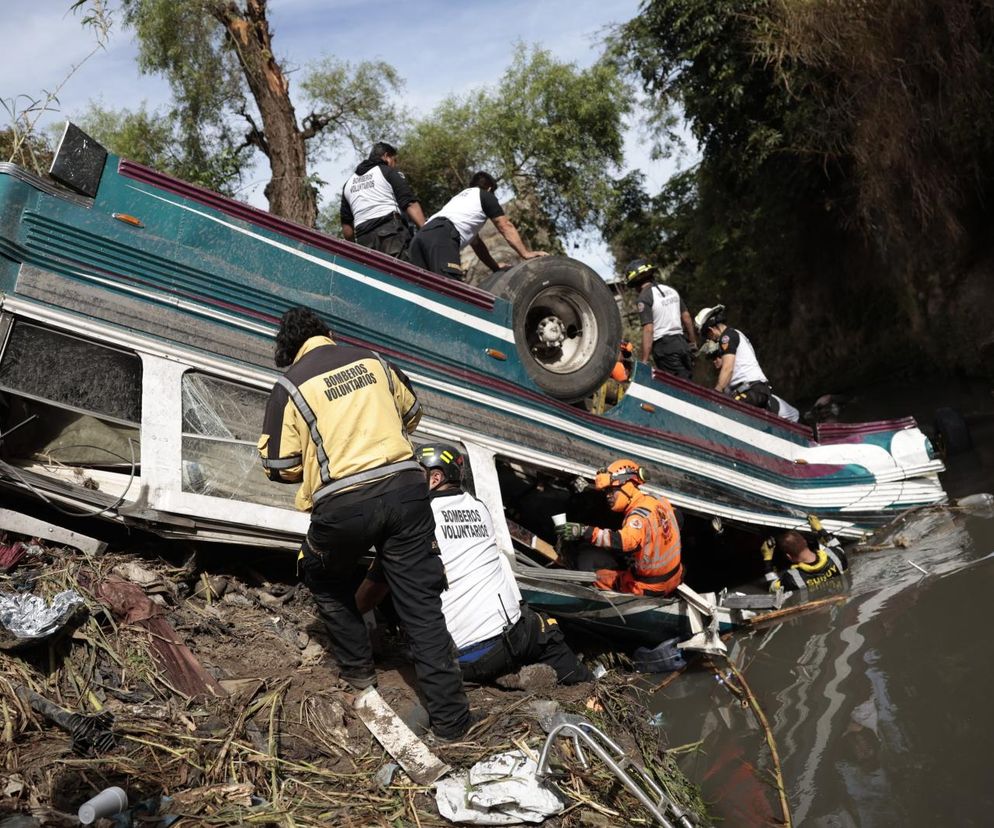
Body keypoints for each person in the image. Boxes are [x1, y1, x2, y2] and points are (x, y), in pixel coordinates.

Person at [257, 307, 471, 740]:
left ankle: (359, 676)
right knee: (421, 608)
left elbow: (276, 465)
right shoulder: (374, 360)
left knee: (323, 577)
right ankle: (453, 725)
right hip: (407, 492)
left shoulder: (289, 385)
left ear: (287, 351)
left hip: (343, 506)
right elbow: (412, 413)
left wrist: (321, 461)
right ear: (329, 334)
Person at [356, 443, 593, 686]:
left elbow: (366, 599)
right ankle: (587, 688)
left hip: (466, 659)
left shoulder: (412, 520)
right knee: (547, 631)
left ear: (435, 478)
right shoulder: (479, 508)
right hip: (515, 636)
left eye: (412, 475)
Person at [555, 459, 683, 596]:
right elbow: (679, 519)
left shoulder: (638, 517)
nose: (608, 496)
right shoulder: (659, 501)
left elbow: (623, 541)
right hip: (675, 575)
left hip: (649, 587)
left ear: (628, 485)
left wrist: (583, 531)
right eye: (606, 492)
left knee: (596, 575)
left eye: (611, 490)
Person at [409, 171, 548, 280]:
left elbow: (477, 244)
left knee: (423, 290)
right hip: (441, 238)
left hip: (420, 237)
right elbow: (505, 226)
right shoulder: (486, 196)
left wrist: (494, 267)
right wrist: (525, 253)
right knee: (448, 291)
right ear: (489, 189)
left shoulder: (459, 199)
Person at [340, 142, 426, 259]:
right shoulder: (387, 172)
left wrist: (354, 250)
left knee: (375, 275)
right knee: (402, 273)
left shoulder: (348, 184)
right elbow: (409, 203)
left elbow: (347, 228)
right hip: (391, 232)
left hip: (364, 240)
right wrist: (426, 230)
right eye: (394, 160)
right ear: (386, 156)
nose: (394, 165)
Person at [625, 259, 697, 380]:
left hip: (665, 348)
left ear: (636, 282)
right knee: (688, 384)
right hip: (682, 344)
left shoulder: (644, 297)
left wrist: (644, 360)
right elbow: (686, 317)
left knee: (676, 389)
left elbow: (648, 329)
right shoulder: (671, 290)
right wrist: (693, 342)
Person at [695, 304, 774, 410]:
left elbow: (728, 368)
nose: (709, 340)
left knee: (724, 412)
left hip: (751, 391)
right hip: (758, 390)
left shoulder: (726, 337)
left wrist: (715, 393)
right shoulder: (736, 333)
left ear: (711, 330)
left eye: (707, 336)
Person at [701, 342, 800, 422]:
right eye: (712, 359)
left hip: (768, 403)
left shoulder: (739, 370)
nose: (715, 361)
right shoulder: (725, 380)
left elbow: (794, 415)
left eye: (717, 356)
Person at [761, 514, 849, 593]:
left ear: (789, 557)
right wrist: (820, 529)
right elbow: (835, 544)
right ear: (805, 542)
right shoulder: (837, 556)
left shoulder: (792, 579)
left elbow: (771, 587)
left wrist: (767, 559)